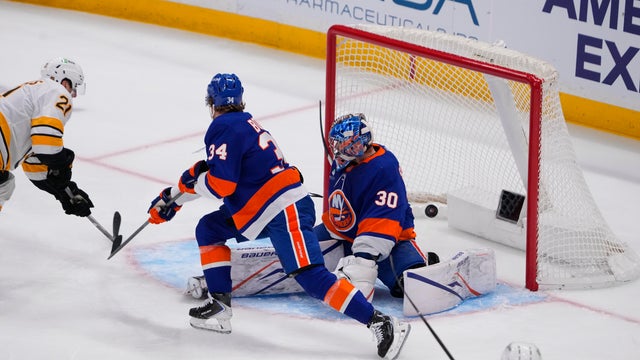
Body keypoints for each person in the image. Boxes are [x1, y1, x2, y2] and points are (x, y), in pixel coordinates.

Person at [146, 73, 410, 359]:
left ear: (211, 104)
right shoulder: (245, 123)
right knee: (209, 229)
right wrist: (175, 196)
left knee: (310, 276)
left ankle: (381, 322)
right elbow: (221, 172)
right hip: (262, 208)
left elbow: (221, 185)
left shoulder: (221, 127)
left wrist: (187, 187)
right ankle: (220, 305)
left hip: (284, 210)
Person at [313, 113, 439, 302]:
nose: (337, 149)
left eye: (341, 144)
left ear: (356, 144)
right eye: (336, 144)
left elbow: (382, 219)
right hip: (341, 234)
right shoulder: (344, 161)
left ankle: (425, 264)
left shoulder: (383, 169)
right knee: (300, 250)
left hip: (390, 242)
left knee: (409, 287)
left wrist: (363, 259)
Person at [0, 57, 93, 216]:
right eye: (74, 87)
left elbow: (36, 161)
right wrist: (62, 165)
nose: (74, 95)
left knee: (4, 184)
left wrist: (64, 192)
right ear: (64, 82)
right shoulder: (57, 91)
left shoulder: (33, 95)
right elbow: (47, 143)